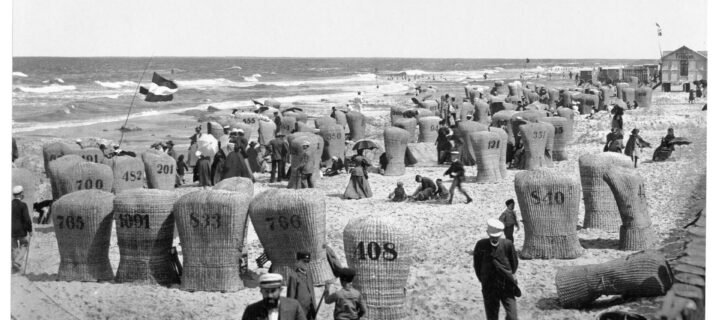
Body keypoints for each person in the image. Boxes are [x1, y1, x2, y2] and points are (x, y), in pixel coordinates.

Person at [473, 218, 520, 320]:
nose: (494, 239)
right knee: (492, 317)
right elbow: (477, 265)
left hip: (506, 285)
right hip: (489, 287)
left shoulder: (508, 244)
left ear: (501, 234)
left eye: (497, 236)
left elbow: (514, 264)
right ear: (488, 233)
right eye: (492, 236)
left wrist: (508, 274)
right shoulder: (481, 245)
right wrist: (484, 280)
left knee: (513, 317)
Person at [241, 273, 307, 320]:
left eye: (273, 291)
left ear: (280, 290)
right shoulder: (251, 311)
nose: (270, 295)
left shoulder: (294, 307)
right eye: (266, 291)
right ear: (261, 291)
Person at [287, 252, 317, 320]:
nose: (306, 263)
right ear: (298, 262)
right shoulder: (293, 276)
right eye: (304, 261)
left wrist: (314, 307)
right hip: (299, 312)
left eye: (308, 261)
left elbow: (312, 292)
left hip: (311, 310)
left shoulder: (309, 274)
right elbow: (290, 297)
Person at [12, 186, 32, 274]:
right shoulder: (23, 205)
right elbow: (27, 219)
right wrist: (30, 230)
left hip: (11, 231)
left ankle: (15, 265)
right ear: (21, 194)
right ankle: (17, 262)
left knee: (14, 247)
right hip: (21, 231)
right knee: (24, 244)